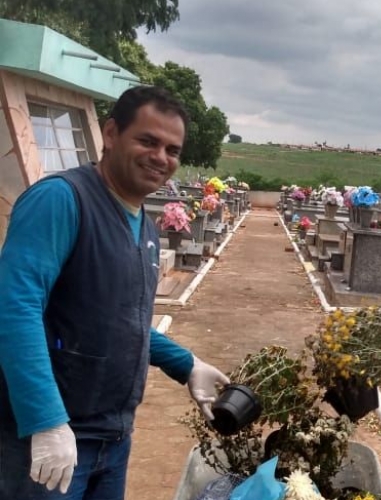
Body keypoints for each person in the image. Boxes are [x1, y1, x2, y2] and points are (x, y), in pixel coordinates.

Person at [0, 86, 230, 499]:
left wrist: (187, 364)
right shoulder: (61, 200)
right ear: (110, 134)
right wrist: (45, 420)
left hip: (112, 439)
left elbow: (120, 319)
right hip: (49, 440)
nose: (160, 157)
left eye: (172, 150)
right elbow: (14, 307)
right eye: (148, 141)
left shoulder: (145, 228)